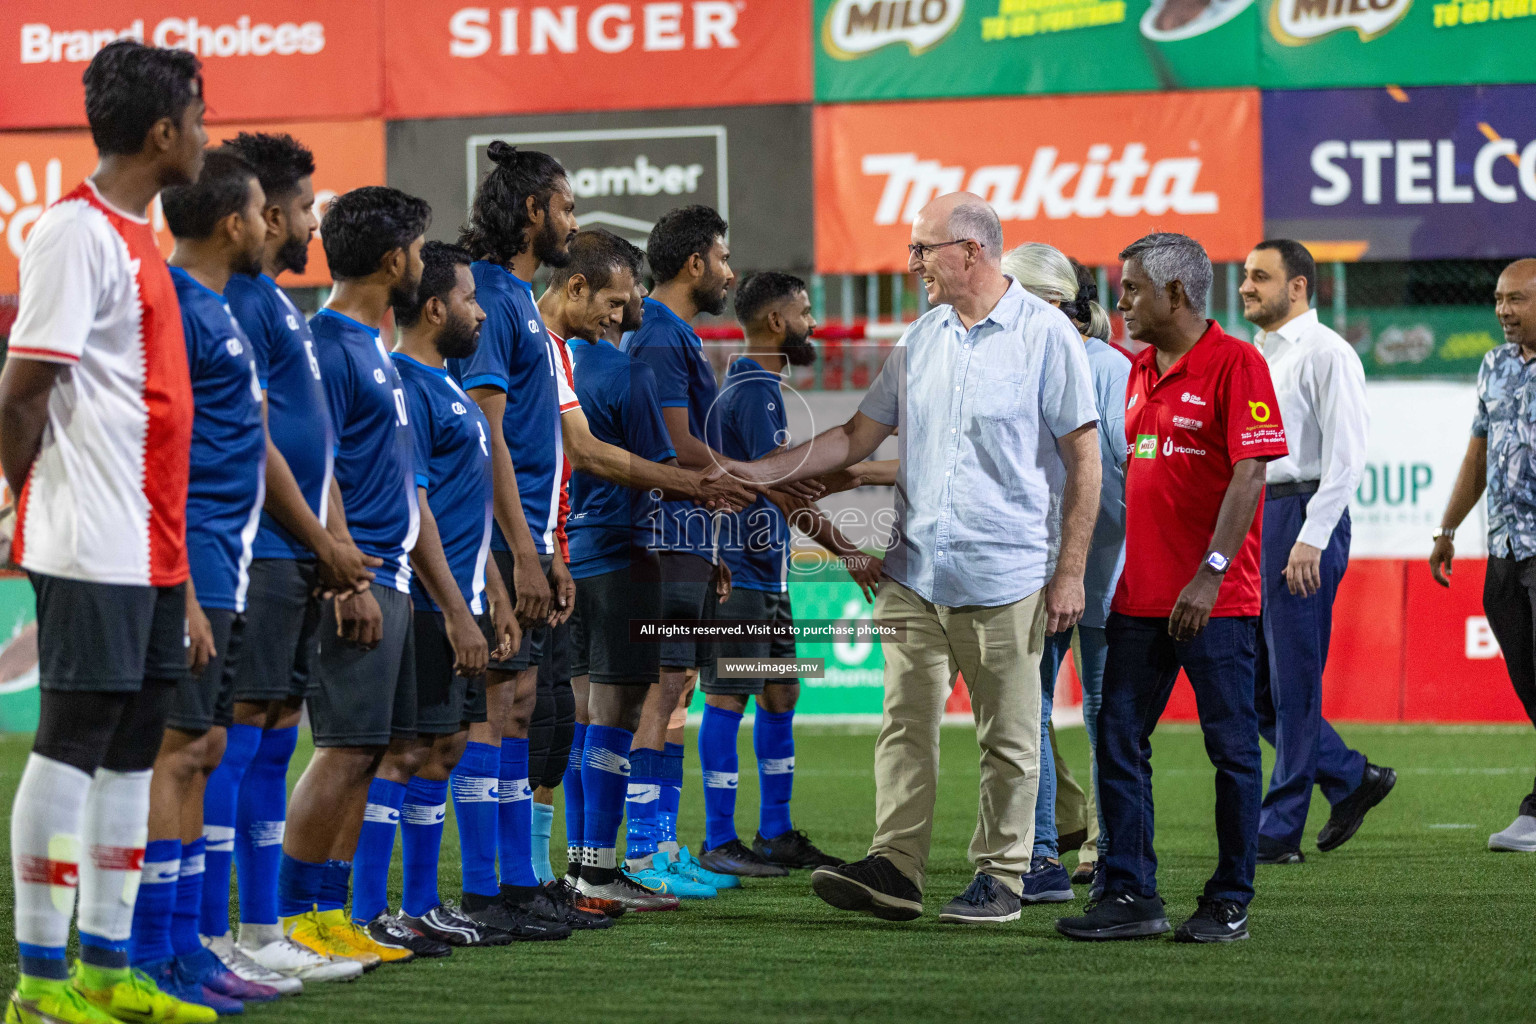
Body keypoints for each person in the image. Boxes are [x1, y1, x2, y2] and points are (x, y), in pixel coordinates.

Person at [725, 193, 1101, 925]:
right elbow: (858, 436)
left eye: (923, 249)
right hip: (915, 574)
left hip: (1009, 577)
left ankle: (1002, 878)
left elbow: (1084, 462)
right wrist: (761, 469)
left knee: (1011, 741)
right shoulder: (922, 336)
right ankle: (896, 869)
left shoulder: (1047, 336)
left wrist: (1071, 571)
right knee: (903, 725)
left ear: (972, 250)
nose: (913, 263)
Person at [0, 39, 217, 1024]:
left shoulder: (137, 237)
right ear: (164, 132)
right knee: (70, 743)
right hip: (91, 540)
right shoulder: (71, 235)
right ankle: (41, 987)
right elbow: (20, 393)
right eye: (201, 119)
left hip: (151, 546)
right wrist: (25, 496)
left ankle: (104, 965)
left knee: (133, 747)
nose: (209, 137)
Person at [1056, 232, 1289, 945]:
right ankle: (1130, 891)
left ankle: (1228, 899)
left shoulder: (1237, 364)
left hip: (1214, 601)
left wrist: (1209, 577)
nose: (1119, 302)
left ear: (1175, 294)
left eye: (1130, 289)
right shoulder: (1134, 372)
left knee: (1232, 751)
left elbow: (1253, 475)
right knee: (1118, 736)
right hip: (1137, 600)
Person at [360, 240, 579, 947]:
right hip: (424, 601)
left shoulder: (448, 390)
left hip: (463, 596)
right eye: (466, 300)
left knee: (444, 746)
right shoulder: (407, 386)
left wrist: (491, 593)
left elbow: (467, 509)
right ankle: (367, 911)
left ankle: (422, 904)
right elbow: (414, 505)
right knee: (399, 754)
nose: (478, 312)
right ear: (433, 308)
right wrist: (457, 606)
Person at [536, 229, 752, 900]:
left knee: (573, 712)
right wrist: (708, 515)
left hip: (565, 554)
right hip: (625, 552)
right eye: (618, 303)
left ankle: (567, 866)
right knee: (621, 711)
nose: (623, 317)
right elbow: (665, 471)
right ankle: (606, 866)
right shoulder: (626, 373)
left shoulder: (548, 366)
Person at [211, 131, 372, 986]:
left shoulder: (276, 303)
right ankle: (216, 934)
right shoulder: (238, 300)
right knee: (232, 743)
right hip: (264, 547)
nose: (316, 220)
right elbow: (256, 432)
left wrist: (331, 538)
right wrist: (318, 539)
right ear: (267, 212)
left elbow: (315, 444)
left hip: (297, 549)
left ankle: (258, 926)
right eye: (307, 206)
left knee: (272, 737)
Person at [128, 148, 285, 1017]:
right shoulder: (181, 308)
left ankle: (184, 946)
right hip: (192, 562)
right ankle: (152, 952)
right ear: (233, 224)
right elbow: (161, 454)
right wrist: (181, 581)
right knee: (177, 752)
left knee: (203, 750)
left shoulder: (217, 309)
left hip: (227, 558)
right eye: (263, 212)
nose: (271, 226)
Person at [273, 186, 431, 968]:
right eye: (421, 250)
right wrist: (344, 573)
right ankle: (294, 917)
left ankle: (329, 912)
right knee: (339, 750)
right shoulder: (326, 345)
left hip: (391, 575)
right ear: (396, 257)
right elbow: (313, 463)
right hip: (356, 577)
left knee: (368, 752)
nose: (425, 264)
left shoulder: (371, 346)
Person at [697, 270, 878, 875]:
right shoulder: (753, 393)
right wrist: (851, 552)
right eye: (803, 312)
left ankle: (775, 831)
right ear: (775, 322)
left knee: (781, 690)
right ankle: (719, 840)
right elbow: (780, 493)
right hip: (741, 575)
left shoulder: (759, 388)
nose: (813, 324)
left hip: (766, 577)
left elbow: (784, 489)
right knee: (728, 696)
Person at [449, 143, 586, 932]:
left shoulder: (516, 299)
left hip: (527, 536)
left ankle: (514, 882)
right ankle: (487, 891)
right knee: (498, 708)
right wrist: (523, 553)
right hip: (499, 542)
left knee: (522, 702)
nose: (573, 220)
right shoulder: (495, 300)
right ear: (533, 211)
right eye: (565, 206)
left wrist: (548, 546)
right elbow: (490, 434)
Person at [1240, 239, 1394, 864]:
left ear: (1298, 287)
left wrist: (1310, 536)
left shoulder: (1328, 353)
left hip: (1300, 517)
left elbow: (1347, 458)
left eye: (1259, 277)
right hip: (1261, 519)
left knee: (1294, 684)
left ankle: (1279, 831)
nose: (1246, 286)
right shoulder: (1261, 352)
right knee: (1255, 689)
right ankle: (1352, 776)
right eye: (1246, 276)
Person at [619, 205, 752, 895]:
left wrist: (715, 543)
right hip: (663, 539)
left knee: (677, 694)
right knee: (658, 695)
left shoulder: (674, 336)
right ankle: (643, 857)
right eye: (724, 258)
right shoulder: (659, 336)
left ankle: (664, 846)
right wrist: (753, 478)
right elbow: (672, 443)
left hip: (689, 539)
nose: (731, 273)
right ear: (695, 263)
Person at [998, 244, 1129, 903]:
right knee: (1078, 714)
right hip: (1084, 569)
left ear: (1051, 304)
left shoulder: (1096, 367)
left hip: (1074, 570)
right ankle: (1081, 849)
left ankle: (1056, 851)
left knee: (1051, 712)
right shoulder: (1111, 367)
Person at [1431, 257, 1536, 853]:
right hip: (1503, 549)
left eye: (1517, 300)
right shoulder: (1494, 366)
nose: (1503, 311)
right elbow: (1479, 452)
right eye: (1499, 299)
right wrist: (1446, 528)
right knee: (1528, 679)